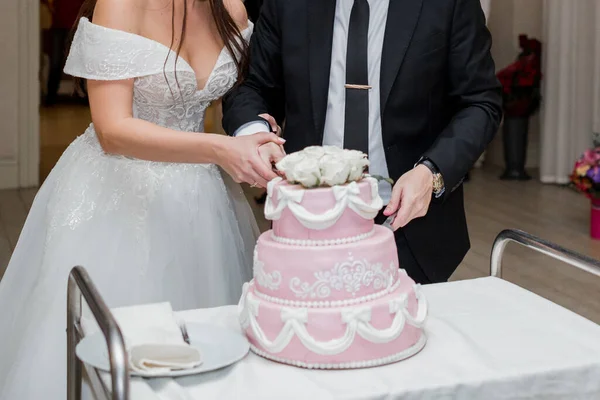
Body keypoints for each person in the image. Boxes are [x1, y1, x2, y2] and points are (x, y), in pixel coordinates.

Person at [0, 0, 282, 398]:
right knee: (116, 351)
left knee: (207, 351)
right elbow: (112, 131)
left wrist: (257, 130)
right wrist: (218, 149)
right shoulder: (120, 5)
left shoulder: (230, 7)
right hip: (118, 194)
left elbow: (249, 92)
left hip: (202, 199)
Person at [223, 0, 503, 284]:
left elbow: (480, 103)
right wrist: (254, 135)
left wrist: (431, 173)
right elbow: (252, 86)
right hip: (307, 218)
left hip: (410, 224)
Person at [45, 0, 85, 105]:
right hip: (60, 24)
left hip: (76, 23)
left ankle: (81, 95)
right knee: (56, 62)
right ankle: (51, 96)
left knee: (79, 61)